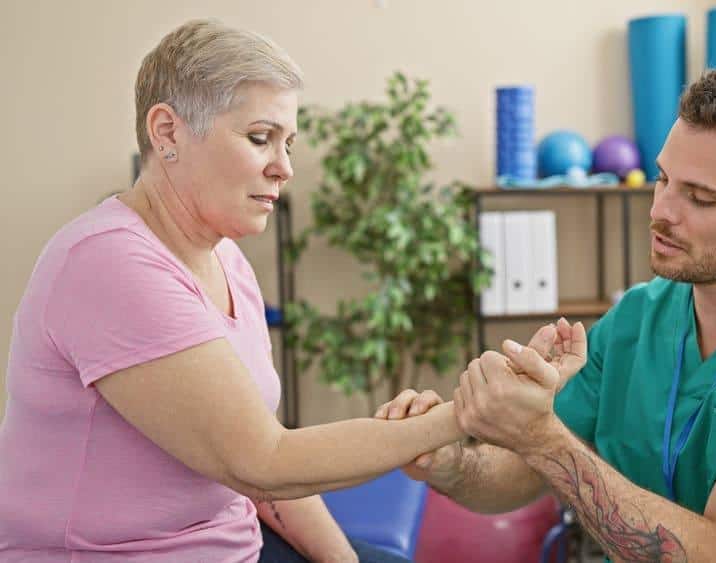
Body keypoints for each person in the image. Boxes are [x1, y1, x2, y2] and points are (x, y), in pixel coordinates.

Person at [379, 69, 716, 562]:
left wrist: (541, 436)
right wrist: (449, 463)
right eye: (662, 180)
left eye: (700, 198)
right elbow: (517, 475)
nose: (660, 212)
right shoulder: (638, 318)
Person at [0, 19, 463, 563]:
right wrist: (467, 416)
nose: (284, 168)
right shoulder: (108, 261)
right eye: (260, 138)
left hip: (236, 545)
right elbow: (261, 460)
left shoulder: (225, 258)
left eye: (288, 144)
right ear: (167, 132)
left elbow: (264, 466)